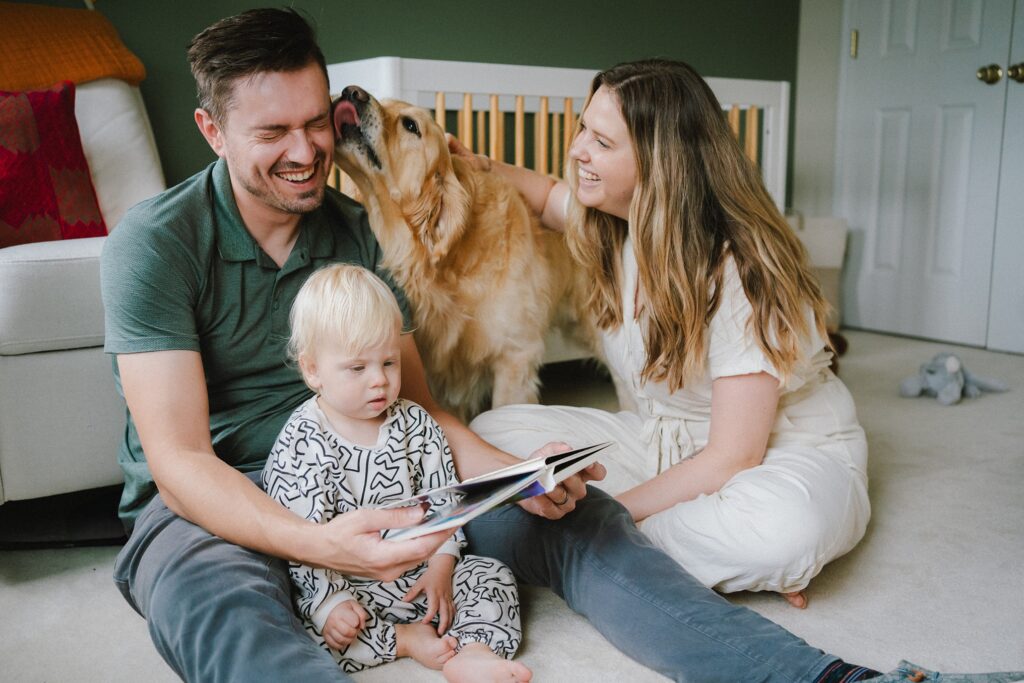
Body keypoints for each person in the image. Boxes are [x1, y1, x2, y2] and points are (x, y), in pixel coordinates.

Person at [100, 8, 1021, 683]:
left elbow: (419, 405)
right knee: (229, 618)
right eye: (274, 134)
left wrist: (513, 479)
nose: (308, 151)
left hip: (386, 477)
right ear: (212, 130)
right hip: (213, 502)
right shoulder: (158, 241)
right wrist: (319, 545)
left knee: (582, 521)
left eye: (315, 123)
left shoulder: (354, 227)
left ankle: (837, 681)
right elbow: (180, 460)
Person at [458, 58, 868, 611]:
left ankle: (585, 541)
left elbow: (733, 458)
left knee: (781, 530)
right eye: (583, 128)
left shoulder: (738, 267)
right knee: (494, 430)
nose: (578, 149)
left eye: (601, 142)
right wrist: (474, 163)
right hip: (667, 444)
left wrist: (613, 507)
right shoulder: (617, 226)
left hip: (778, 453)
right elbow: (545, 194)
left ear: (659, 164)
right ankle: (656, 552)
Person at [262, 263, 528, 681]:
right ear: (313, 370)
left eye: (388, 362)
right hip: (350, 584)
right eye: (357, 368)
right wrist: (330, 605)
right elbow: (303, 543)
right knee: (303, 633)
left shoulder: (416, 424)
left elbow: (446, 502)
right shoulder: (302, 443)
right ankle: (404, 640)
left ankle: (473, 651)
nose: (379, 382)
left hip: (422, 571)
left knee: (491, 574)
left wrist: (442, 567)